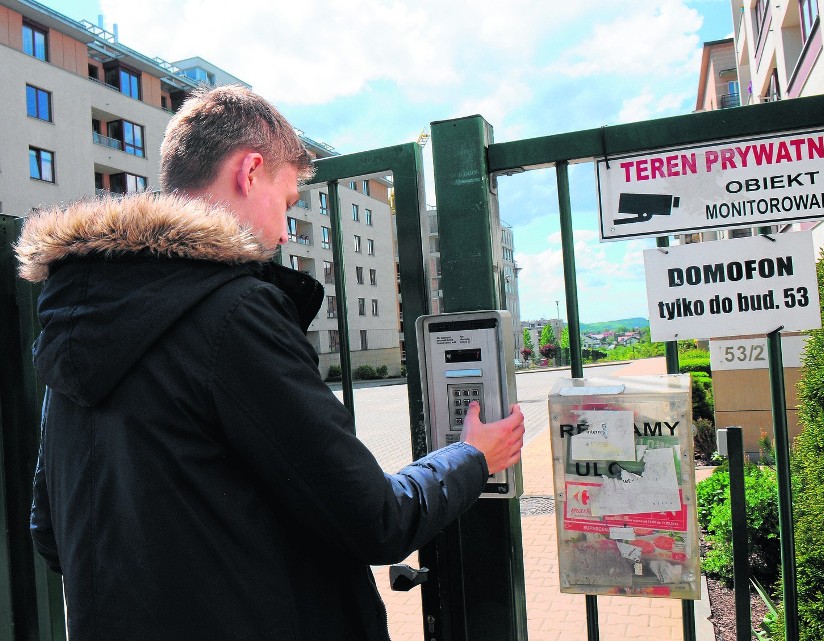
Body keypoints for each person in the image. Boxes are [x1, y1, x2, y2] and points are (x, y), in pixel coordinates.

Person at [16, 85, 524, 641]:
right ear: (250, 170)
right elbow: (374, 519)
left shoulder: (83, 314)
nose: (285, 233)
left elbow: (50, 530)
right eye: (286, 203)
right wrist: (473, 457)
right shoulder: (232, 312)